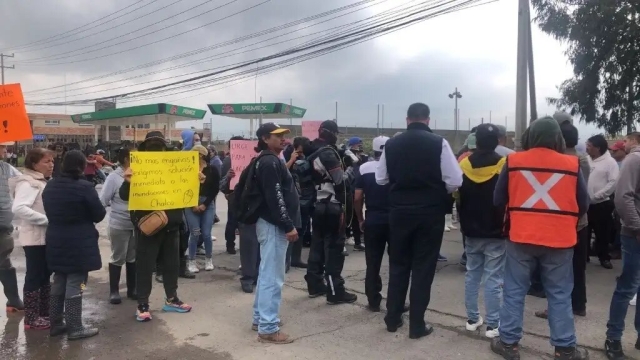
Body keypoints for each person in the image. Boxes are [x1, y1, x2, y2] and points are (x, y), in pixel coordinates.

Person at [490, 116, 589, 360]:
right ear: (558, 138)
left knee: (514, 290)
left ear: (530, 137)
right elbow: (584, 203)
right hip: (560, 239)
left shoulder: (513, 161)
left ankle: (509, 344)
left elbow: (497, 199)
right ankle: (565, 349)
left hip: (521, 236)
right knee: (559, 293)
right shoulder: (572, 163)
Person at [375, 103, 462, 338]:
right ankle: (417, 325)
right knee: (423, 268)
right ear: (428, 120)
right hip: (429, 213)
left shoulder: (392, 144)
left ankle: (392, 318)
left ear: (407, 119)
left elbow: (381, 179)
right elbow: (455, 180)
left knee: (398, 265)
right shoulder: (438, 143)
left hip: (399, 212)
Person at [119, 131, 192, 322]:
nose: (156, 150)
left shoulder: (175, 166)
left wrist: (196, 179)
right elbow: (124, 196)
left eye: (159, 146)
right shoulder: (137, 167)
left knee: (172, 265)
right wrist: (127, 181)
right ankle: (142, 304)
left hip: (172, 225)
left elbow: (188, 190)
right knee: (145, 266)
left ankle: (172, 299)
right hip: (148, 227)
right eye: (152, 146)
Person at [42, 150, 106, 340]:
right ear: (80, 166)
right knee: (76, 282)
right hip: (79, 241)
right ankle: (75, 327)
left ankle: (56, 324)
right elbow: (99, 214)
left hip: (55, 238)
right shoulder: (85, 187)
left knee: (59, 279)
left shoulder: (50, 186)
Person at [534, 120, 591, 320]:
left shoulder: (562, 160)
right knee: (578, 266)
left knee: (556, 271)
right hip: (581, 220)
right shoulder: (583, 159)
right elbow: (584, 197)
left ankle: (556, 309)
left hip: (560, 221)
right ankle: (579, 305)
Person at [251, 123, 300, 344]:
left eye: (283, 136)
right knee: (273, 277)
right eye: (277, 136)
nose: (283, 139)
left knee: (266, 274)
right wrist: (287, 225)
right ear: (264, 138)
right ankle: (268, 328)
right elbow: (275, 197)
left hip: (270, 225)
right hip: (273, 225)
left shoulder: (271, 159)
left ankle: (260, 319)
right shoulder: (270, 162)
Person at [457, 124, 506, 339]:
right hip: (495, 230)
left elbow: (457, 195)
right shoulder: (504, 164)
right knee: (494, 278)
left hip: (470, 229)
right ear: (497, 141)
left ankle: (472, 319)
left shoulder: (464, 164)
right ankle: (493, 324)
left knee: (472, 274)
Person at [305, 120, 358, 305]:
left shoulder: (310, 151)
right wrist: (352, 167)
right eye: (336, 133)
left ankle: (315, 284)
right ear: (331, 133)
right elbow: (340, 181)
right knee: (335, 248)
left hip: (317, 204)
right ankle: (335, 291)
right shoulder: (328, 153)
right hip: (333, 206)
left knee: (317, 245)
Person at [603, 132, 640, 359]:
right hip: (634, 235)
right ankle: (613, 338)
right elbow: (622, 197)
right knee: (627, 287)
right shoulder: (634, 160)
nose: (623, 144)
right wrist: (637, 228)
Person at [10, 148, 54, 330]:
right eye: (46, 162)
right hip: (34, 238)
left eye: (52, 161)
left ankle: (44, 313)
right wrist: (46, 220)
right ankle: (31, 317)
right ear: (34, 164)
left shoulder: (41, 181)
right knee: (35, 276)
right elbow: (19, 208)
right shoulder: (29, 183)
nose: (51, 165)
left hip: (44, 238)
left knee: (44, 274)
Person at [354, 136, 392, 311]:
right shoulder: (397, 167)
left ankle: (373, 300)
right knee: (398, 262)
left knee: (373, 262)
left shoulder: (363, 168)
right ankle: (395, 300)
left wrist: (360, 219)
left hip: (373, 218)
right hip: (394, 219)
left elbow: (357, 197)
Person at [99, 147, 137, 305]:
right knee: (118, 256)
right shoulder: (114, 178)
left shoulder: (142, 174)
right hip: (119, 223)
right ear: (126, 160)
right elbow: (103, 200)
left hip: (137, 224)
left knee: (133, 257)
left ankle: (132, 289)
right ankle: (114, 291)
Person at [586, 134, 619, 269]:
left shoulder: (610, 162)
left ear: (598, 148)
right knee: (585, 233)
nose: (586, 148)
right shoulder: (586, 160)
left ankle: (604, 257)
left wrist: (598, 195)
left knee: (602, 233)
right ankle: (585, 256)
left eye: (589, 146)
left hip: (602, 204)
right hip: (585, 204)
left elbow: (613, 182)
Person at [186, 145, 220, 273]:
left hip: (207, 203)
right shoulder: (187, 169)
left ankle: (208, 259)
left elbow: (215, 189)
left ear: (201, 155)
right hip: (190, 203)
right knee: (194, 233)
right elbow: (183, 187)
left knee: (206, 233)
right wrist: (192, 204)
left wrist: (204, 204)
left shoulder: (212, 170)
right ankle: (191, 260)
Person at [0, 141, 24, 314]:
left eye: (4, 147)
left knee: (4, 262)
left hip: (4, 226)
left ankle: (14, 300)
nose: (5, 150)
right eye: (1, 147)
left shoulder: (7, 169)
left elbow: (22, 185)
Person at [285, 136, 312, 269]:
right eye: (300, 152)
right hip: (293, 199)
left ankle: (296, 258)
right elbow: (281, 172)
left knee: (302, 229)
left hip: (306, 199)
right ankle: (287, 260)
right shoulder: (287, 157)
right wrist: (291, 159)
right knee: (292, 229)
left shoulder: (308, 159)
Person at [221, 136, 246, 255]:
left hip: (245, 194)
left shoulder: (249, 158)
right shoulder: (228, 161)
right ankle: (230, 244)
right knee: (232, 221)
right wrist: (226, 191)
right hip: (233, 195)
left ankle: (237, 244)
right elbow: (222, 182)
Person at [344, 137, 366, 251]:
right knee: (348, 216)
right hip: (348, 190)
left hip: (356, 188)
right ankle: (347, 236)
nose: (360, 147)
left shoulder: (362, 158)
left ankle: (357, 241)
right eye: (358, 144)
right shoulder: (347, 156)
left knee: (356, 216)